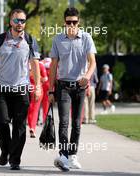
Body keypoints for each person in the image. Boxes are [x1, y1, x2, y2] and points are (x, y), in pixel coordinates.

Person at [0, 9, 41, 170]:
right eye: (17, 20)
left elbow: (35, 65)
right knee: (0, 121)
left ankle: (15, 159)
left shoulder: (30, 40)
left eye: (22, 21)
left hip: (21, 89)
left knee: (19, 126)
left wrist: (37, 87)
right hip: (2, 89)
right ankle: (6, 149)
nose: (20, 24)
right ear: (10, 21)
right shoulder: (1, 39)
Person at [48, 7, 96, 171]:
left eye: (74, 22)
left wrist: (87, 76)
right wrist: (50, 89)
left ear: (78, 22)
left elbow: (92, 62)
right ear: (64, 22)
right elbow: (53, 66)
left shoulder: (86, 38)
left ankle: (73, 155)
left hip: (80, 87)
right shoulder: (57, 40)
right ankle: (63, 155)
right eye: (69, 22)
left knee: (76, 123)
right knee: (64, 122)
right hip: (63, 87)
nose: (71, 25)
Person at [27, 62, 47, 138]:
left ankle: (31, 126)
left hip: (27, 89)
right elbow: (45, 79)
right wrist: (38, 77)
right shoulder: (40, 65)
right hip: (37, 89)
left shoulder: (24, 63)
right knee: (35, 110)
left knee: (29, 109)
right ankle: (32, 127)